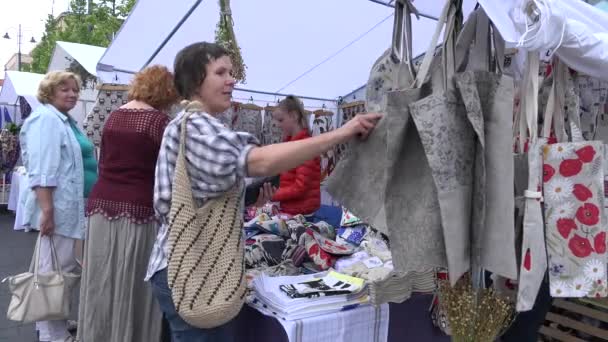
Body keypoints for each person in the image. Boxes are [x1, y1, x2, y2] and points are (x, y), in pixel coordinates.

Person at [146, 41, 381, 341]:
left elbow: (204, 192)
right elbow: (257, 162)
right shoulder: (196, 127)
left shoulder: (194, 125)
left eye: (231, 71)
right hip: (195, 268)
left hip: (190, 266)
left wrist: (250, 196)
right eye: (220, 72)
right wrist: (341, 133)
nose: (232, 79)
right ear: (195, 82)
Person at [77, 65, 179, 342]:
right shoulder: (159, 122)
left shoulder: (113, 116)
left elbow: (105, 160)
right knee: (133, 284)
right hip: (140, 210)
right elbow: (171, 172)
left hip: (101, 207)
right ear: (166, 91)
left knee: (101, 279)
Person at [20, 71, 97, 342]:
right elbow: (43, 170)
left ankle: (55, 324)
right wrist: (48, 211)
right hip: (59, 208)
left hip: (69, 207)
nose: (73, 94)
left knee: (61, 271)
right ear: (49, 92)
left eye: (75, 90)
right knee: (54, 273)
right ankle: (53, 334)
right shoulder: (47, 120)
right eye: (65, 89)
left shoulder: (63, 120)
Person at [270, 95, 321, 215]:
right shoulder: (291, 144)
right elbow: (288, 178)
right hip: (291, 209)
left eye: (281, 120)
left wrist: (273, 195)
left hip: (302, 212)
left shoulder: (304, 146)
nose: (278, 125)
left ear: (294, 116)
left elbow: (300, 186)